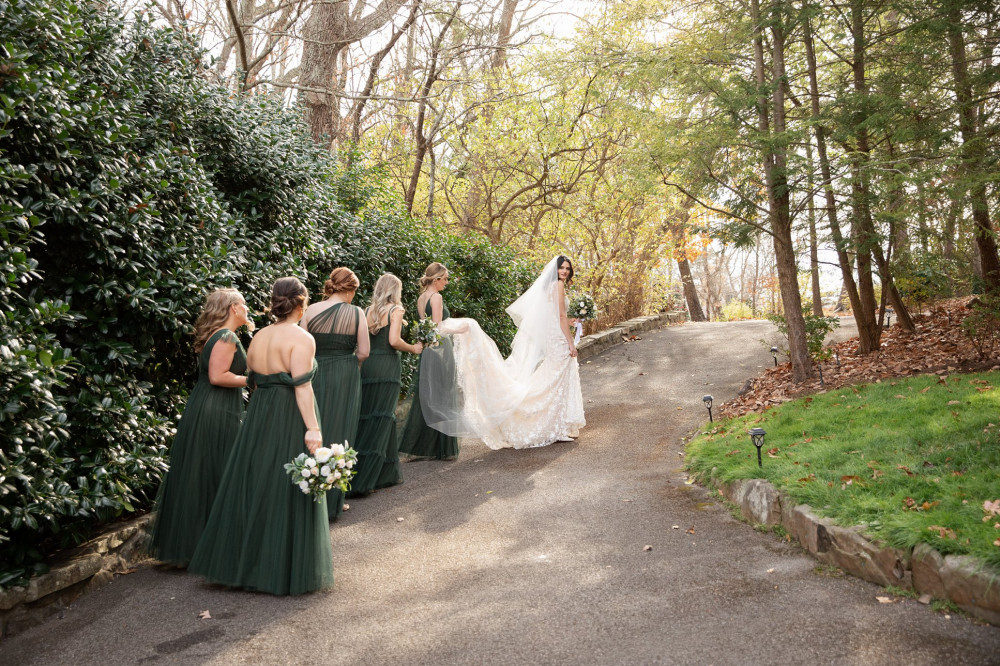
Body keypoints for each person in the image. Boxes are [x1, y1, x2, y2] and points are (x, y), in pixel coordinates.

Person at [188, 277, 334, 595]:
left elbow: (253, 381)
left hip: (259, 414)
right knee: (289, 485)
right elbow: (302, 386)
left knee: (259, 483)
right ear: (301, 302)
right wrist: (313, 428)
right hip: (288, 414)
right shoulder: (302, 338)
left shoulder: (258, 338)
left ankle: (250, 565)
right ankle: (282, 567)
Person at [421, 255, 585, 449]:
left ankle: (558, 425)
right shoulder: (558, 285)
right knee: (556, 381)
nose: (564, 271)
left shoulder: (550, 286)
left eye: (567, 268)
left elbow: (555, 316)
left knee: (554, 380)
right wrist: (570, 342)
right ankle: (553, 426)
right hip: (558, 338)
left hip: (554, 335)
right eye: (561, 268)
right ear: (555, 270)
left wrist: (571, 322)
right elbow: (560, 316)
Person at [148, 288, 252, 567]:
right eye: (243, 303)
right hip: (217, 409)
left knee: (207, 472)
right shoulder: (226, 336)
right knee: (219, 471)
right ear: (233, 308)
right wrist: (253, 380)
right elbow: (218, 376)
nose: (247, 308)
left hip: (208, 405)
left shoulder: (218, 335)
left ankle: (201, 546)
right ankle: (212, 548)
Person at [303, 267, 369, 518]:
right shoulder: (356, 312)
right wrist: (352, 367)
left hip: (316, 372)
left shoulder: (310, 310)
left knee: (315, 426)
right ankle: (333, 501)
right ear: (351, 289)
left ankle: (309, 494)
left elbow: (302, 345)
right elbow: (364, 352)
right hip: (345, 373)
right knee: (341, 431)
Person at [352, 274, 423, 494]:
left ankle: (386, 473)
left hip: (368, 366)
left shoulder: (366, 311)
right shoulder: (396, 310)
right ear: (395, 290)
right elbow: (393, 340)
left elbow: (361, 344)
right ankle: (367, 479)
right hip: (387, 366)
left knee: (369, 415)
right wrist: (413, 348)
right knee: (383, 416)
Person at [399, 263, 461, 459]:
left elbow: (426, 327)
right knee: (443, 393)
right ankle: (443, 449)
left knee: (428, 395)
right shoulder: (437, 297)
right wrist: (462, 327)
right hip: (441, 349)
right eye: (445, 279)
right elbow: (438, 329)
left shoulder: (421, 298)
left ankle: (424, 447)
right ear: (436, 279)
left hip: (428, 350)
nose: (447, 282)